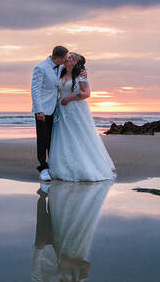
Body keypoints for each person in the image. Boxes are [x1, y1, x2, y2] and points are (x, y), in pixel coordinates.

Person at [48, 52, 116, 181]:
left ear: (75, 62)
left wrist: (69, 98)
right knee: (63, 136)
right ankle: (62, 165)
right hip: (62, 110)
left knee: (78, 135)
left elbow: (86, 93)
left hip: (75, 109)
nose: (68, 58)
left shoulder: (80, 75)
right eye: (68, 56)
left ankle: (82, 166)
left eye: (71, 57)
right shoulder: (60, 72)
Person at [31, 46, 68, 181]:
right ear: (58, 58)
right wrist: (38, 110)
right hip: (43, 110)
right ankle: (43, 167)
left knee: (52, 139)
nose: (66, 60)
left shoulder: (60, 67)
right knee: (42, 139)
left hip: (55, 108)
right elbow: (35, 90)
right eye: (65, 58)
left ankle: (52, 165)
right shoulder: (40, 68)